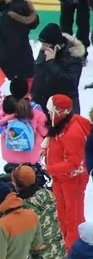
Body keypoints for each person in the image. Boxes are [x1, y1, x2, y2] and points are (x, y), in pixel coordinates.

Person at [44, 93, 91, 247]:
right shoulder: (66, 122)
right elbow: (56, 137)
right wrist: (46, 146)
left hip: (72, 181)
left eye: (50, 111)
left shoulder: (72, 133)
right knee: (62, 214)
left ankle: (74, 249)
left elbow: (74, 162)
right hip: (61, 178)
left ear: (58, 113)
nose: (48, 114)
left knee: (73, 217)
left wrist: (50, 169)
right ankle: (65, 243)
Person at [32, 23, 85, 117]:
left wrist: (51, 63)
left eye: (45, 45)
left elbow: (70, 84)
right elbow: (38, 73)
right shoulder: (46, 50)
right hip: (44, 107)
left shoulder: (72, 57)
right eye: (42, 44)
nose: (43, 48)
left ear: (57, 46)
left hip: (62, 111)